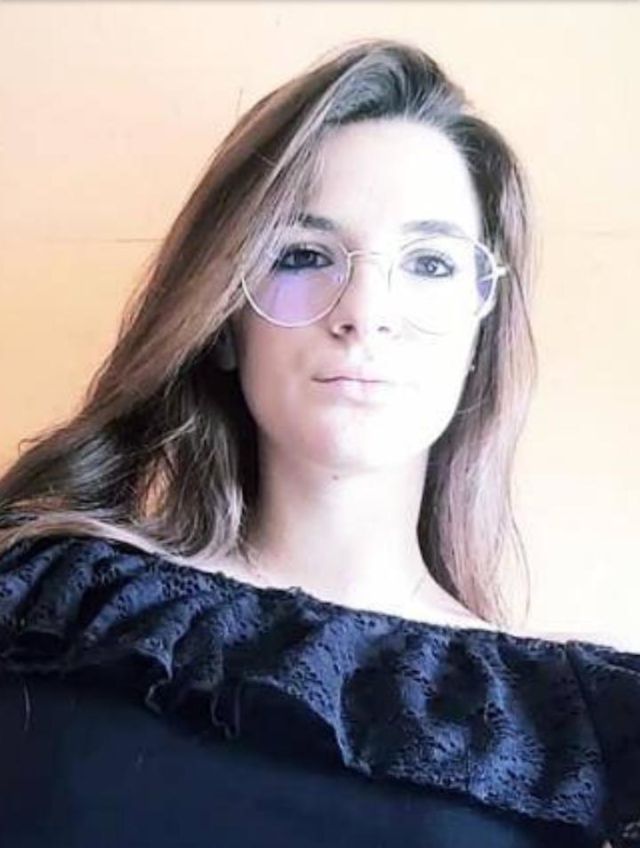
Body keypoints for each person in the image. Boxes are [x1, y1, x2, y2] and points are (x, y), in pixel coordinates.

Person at [0, 37, 638, 848]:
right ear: (225, 319)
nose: (364, 311)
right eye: (302, 255)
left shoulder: (579, 740)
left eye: (431, 263)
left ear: (480, 330)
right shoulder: (49, 600)